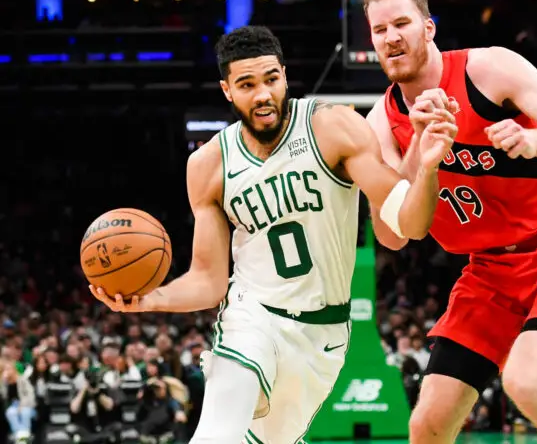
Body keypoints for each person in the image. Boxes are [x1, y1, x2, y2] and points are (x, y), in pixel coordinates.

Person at [88, 25, 457, 443]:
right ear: (227, 90)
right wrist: (149, 299)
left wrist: (428, 168)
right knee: (216, 434)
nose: (263, 94)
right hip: (252, 312)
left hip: (322, 333)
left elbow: (409, 225)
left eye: (271, 79)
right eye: (247, 84)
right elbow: (209, 280)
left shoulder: (332, 127)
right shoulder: (210, 164)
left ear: (284, 75)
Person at [363, 0, 537, 444]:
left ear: (428, 27)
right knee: (427, 424)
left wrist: (534, 141)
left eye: (401, 23)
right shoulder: (382, 123)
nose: (391, 38)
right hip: (489, 269)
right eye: (380, 30)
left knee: (528, 383)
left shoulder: (488, 70)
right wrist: (422, 154)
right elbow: (395, 235)